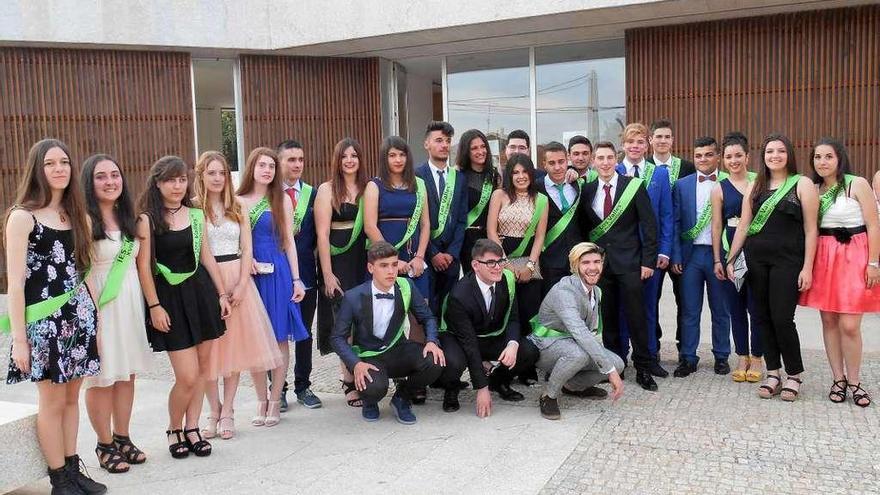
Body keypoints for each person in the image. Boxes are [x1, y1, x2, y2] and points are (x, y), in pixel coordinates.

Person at [4, 139, 106, 494]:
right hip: (44, 324)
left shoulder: (79, 216)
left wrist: (97, 321)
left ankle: (74, 469)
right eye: (50, 163)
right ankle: (59, 478)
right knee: (51, 401)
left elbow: (85, 272)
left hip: (79, 318)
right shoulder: (22, 216)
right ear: (37, 169)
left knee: (70, 399)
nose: (60, 168)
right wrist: (19, 339)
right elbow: (15, 284)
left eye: (64, 162)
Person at [135, 156, 231, 459]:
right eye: (170, 180)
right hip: (169, 299)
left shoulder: (195, 214)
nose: (177, 186)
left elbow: (206, 258)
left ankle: (193, 428)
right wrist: (154, 305)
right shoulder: (146, 219)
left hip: (200, 294)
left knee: (202, 370)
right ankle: (174, 428)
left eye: (181, 179)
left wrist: (221, 294)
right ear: (157, 183)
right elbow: (144, 268)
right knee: (187, 375)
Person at [195, 151, 282, 440]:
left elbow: (248, 248)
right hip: (208, 280)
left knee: (233, 348)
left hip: (238, 277)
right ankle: (213, 409)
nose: (217, 178)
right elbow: (201, 250)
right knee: (209, 351)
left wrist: (243, 283)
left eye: (221, 173)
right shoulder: (194, 209)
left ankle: (229, 409)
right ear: (202, 176)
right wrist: (220, 289)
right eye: (211, 173)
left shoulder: (238, 206)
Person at [725, 134, 818, 401]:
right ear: (763, 156)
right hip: (757, 261)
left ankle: (794, 374)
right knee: (762, 317)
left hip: (788, 262)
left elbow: (811, 230)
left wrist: (808, 267)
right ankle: (773, 373)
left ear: (789, 154)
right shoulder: (756, 185)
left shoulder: (802, 184)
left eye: (780, 151)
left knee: (782, 318)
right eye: (769, 151)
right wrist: (731, 259)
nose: (774, 156)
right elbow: (744, 225)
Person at [81, 154, 153, 474]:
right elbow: (79, 271)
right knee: (102, 376)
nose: (110, 181)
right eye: (101, 176)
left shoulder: (132, 220)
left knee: (127, 372)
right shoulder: (82, 219)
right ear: (88, 182)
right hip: (100, 303)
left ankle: (123, 436)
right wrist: (91, 312)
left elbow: (142, 268)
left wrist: (153, 305)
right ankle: (104, 442)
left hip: (129, 300)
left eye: (114, 174)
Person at [799, 138, 880, 407]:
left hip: (854, 256)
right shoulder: (813, 189)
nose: (822, 162)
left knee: (849, 324)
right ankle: (838, 379)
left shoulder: (856, 184)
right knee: (829, 321)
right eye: (817, 157)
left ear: (839, 158)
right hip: (824, 257)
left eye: (828, 156)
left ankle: (855, 381)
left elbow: (873, 224)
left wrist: (873, 262)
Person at [331, 241, 445, 424]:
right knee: (375, 388)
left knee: (435, 361)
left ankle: (401, 398)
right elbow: (337, 338)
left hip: (398, 349)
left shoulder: (406, 286)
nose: (391, 271)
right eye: (383, 266)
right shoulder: (353, 296)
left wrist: (432, 341)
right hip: (369, 355)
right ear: (370, 268)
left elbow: (428, 318)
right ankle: (369, 401)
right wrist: (355, 364)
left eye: (394, 264)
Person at [578, 141, 659, 391]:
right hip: (599, 267)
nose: (604, 162)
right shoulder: (587, 190)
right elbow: (584, 229)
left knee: (637, 317)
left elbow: (649, 226)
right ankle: (616, 365)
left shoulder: (633, 186)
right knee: (609, 318)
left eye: (609, 157)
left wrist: (648, 261)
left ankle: (644, 367)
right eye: (600, 158)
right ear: (593, 161)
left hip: (631, 264)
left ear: (617, 159)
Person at [236, 147, 308, 427]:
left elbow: (289, 241)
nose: (266, 170)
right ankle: (261, 398)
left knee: (278, 338)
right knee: (255, 339)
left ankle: (276, 399)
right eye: (261, 165)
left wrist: (296, 278)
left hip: (278, 272)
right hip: (250, 274)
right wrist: (247, 259)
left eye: (271, 166)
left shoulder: (281, 200)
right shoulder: (238, 200)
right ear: (252, 168)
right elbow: (235, 239)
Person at [437, 239, 540, 414]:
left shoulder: (506, 279)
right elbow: (469, 343)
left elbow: (513, 318)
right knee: (453, 362)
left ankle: (498, 380)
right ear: (476, 265)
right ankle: (451, 387)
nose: (498, 267)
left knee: (529, 351)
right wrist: (481, 388)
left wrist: (512, 345)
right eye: (491, 262)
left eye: (500, 261)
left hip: (491, 335)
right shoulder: (459, 295)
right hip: (460, 338)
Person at [529, 242, 625, 420]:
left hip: (573, 342)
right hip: (546, 344)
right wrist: (609, 371)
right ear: (575, 266)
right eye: (586, 263)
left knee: (618, 363)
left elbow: (590, 332)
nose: (592, 267)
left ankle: (572, 386)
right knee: (580, 356)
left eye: (597, 262)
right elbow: (580, 332)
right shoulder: (564, 291)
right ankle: (549, 395)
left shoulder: (596, 291)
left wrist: (610, 367)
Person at [670, 137, 731, 377]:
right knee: (689, 309)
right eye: (698, 155)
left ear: (717, 157)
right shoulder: (682, 185)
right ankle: (687, 357)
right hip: (691, 254)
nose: (703, 159)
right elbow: (675, 222)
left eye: (708, 154)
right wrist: (675, 254)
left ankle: (722, 355)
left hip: (718, 254)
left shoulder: (728, 182)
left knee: (720, 308)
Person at [315, 137, 369, 407]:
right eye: (345, 156)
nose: (350, 160)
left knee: (364, 320)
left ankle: (362, 373)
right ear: (337, 160)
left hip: (363, 257)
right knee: (343, 322)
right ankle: (347, 379)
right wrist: (326, 273)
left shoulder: (368, 188)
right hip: (338, 262)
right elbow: (322, 235)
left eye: (354, 156)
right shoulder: (326, 190)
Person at [615, 123, 672, 379]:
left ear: (647, 144)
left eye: (639, 142)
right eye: (630, 142)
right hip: (622, 254)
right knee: (622, 308)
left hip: (650, 254)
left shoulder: (658, 174)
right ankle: (619, 358)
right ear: (623, 145)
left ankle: (648, 357)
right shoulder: (612, 171)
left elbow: (667, 215)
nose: (635, 146)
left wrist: (665, 251)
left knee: (649, 308)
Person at [711, 132, 763, 383]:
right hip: (731, 251)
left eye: (738, 155)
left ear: (747, 156)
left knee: (757, 307)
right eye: (729, 156)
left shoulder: (760, 181)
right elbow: (716, 225)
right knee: (736, 307)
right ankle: (741, 356)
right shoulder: (719, 188)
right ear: (723, 159)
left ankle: (758, 357)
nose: (734, 160)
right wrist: (718, 260)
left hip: (757, 250)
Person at [278, 139, 323, 410]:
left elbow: (319, 235)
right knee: (277, 334)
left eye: (300, 160)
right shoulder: (268, 196)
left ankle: (303, 385)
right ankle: (278, 388)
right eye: (290, 160)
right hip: (275, 275)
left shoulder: (313, 194)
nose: (297, 165)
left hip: (306, 273)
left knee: (304, 333)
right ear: (279, 162)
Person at [648, 119, 696, 357]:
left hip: (682, 244)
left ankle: (684, 350)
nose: (663, 141)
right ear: (651, 140)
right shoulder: (643, 167)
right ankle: (653, 347)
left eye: (667, 137)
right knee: (651, 301)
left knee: (685, 301)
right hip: (652, 246)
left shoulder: (687, 167)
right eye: (658, 136)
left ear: (673, 140)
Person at [364, 136, 431, 300]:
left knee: (420, 310)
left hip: (414, 258)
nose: (398, 160)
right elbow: (370, 226)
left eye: (402, 155)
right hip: (384, 258)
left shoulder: (419, 184)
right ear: (384, 158)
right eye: (392, 155)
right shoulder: (374, 186)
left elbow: (425, 223)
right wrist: (391, 260)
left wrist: (420, 257)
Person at [487, 153, 549, 326]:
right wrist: (506, 264)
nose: (521, 177)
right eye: (515, 172)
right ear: (509, 175)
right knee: (503, 313)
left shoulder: (541, 200)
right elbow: (491, 231)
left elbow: (540, 236)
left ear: (531, 173)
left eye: (525, 172)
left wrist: (530, 266)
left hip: (529, 260)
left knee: (528, 315)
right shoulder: (499, 195)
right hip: (501, 259)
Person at [416, 121, 468, 315]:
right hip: (427, 255)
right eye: (439, 140)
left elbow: (462, 220)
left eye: (447, 141)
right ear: (426, 144)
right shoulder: (416, 176)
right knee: (427, 308)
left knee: (450, 308)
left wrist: (452, 253)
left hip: (451, 257)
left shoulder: (459, 178)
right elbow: (415, 222)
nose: (444, 145)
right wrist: (433, 253)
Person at [537, 141, 585, 294]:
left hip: (578, 259)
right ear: (544, 164)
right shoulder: (535, 188)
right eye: (552, 163)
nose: (557, 167)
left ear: (567, 161)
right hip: (549, 262)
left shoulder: (579, 184)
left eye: (561, 162)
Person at [456, 129, 500, 272]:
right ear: (466, 152)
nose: (480, 151)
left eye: (483, 146)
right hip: (467, 239)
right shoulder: (458, 176)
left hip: (489, 237)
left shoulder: (495, 176)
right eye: (474, 148)